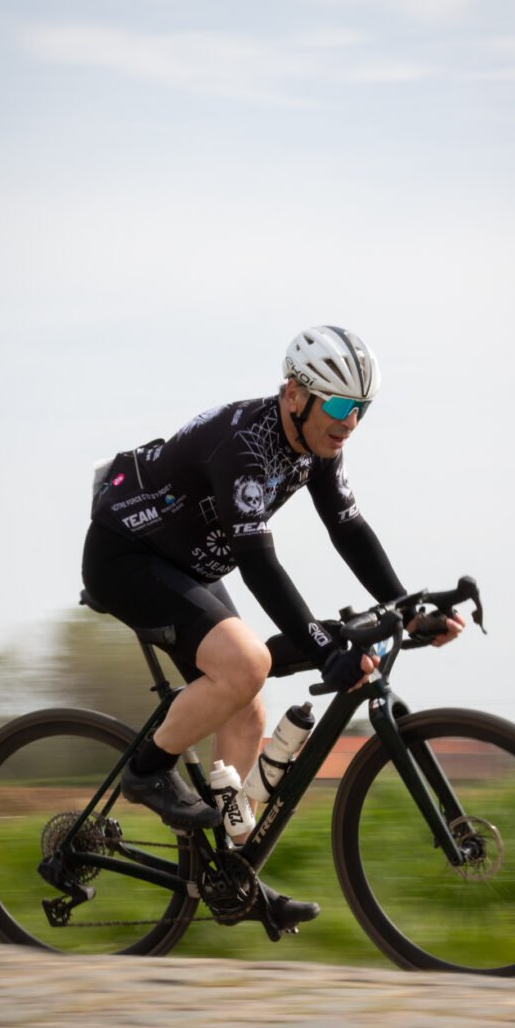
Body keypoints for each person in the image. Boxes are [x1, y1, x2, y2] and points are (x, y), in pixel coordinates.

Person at [82, 324, 463, 932]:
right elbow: (260, 565)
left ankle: (231, 876)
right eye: (338, 406)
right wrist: (323, 649)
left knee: (248, 709)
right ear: (294, 394)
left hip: (187, 563)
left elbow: (348, 530)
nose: (349, 422)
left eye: (361, 408)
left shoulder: (319, 445)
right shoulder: (245, 446)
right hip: (126, 556)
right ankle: (147, 771)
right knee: (247, 664)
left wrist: (408, 607)